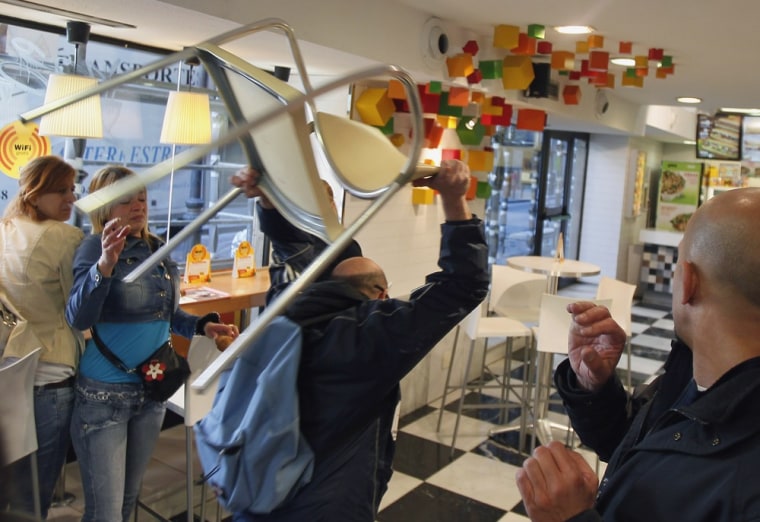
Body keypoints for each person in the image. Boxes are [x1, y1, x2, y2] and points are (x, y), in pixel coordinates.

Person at [229, 159, 489, 521]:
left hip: (255, 494)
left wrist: (270, 204)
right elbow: (464, 285)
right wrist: (455, 200)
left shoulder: (279, 319)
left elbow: (296, 248)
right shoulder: (368, 341)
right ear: (380, 294)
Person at [515, 187, 760, 522]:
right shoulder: (694, 372)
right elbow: (642, 448)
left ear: (688, 282)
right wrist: (597, 390)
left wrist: (572, 518)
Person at [65, 166, 238, 522]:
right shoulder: (91, 247)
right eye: (124, 200)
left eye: (141, 197)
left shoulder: (157, 248)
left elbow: (168, 315)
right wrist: (105, 265)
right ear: (103, 209)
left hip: (152, 391)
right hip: (103, 396)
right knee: (107, 513)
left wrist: (203, 327)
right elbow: (78, 318)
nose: (137, 206)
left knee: (129, 501)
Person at [0, 155, 84, 519]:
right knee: (34, 493)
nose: (71, 199)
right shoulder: (64, 236)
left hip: (11, 368)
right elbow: (79, 310)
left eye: (72, 190)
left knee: (10, 486)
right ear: (35, 194)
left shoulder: (7, 227)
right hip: (51, 373)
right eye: (60, 191)